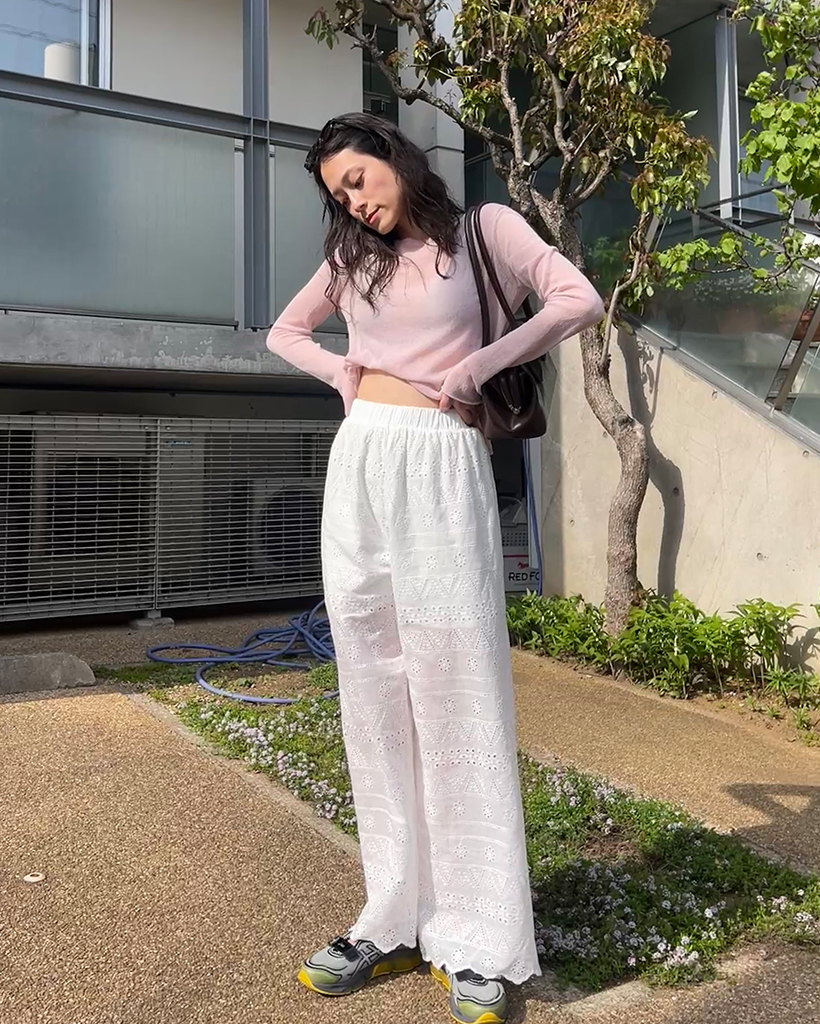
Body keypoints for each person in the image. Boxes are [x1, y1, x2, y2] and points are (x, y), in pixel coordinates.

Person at [266, 111, 604, 1024]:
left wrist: (478, 365)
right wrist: (344, 375)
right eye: (338, 195)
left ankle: (480, 938)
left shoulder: (486, 231)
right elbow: (285, 332)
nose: (354, 202)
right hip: (362, 462)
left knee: (459, 687)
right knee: (374, 690)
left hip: (444, 461)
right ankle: (391, 914)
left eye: (358, 180)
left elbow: (577, 300)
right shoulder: (353, 259)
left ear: (394, 158)